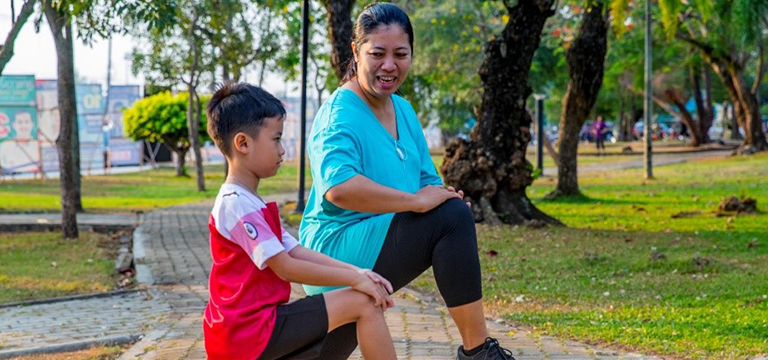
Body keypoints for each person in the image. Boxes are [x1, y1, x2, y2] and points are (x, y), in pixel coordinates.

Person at [300, 3, 516, 360]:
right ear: (356, 52)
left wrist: (445, 197)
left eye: (400, 54)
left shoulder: (403, 110)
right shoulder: (339, 115)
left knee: (451, 213)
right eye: (378, 54)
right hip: (333, 250)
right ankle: (479, 353)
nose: (390, 65)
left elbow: (426, 181)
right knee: (449, 221)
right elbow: (339, 188)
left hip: (377, 239)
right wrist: (419, 204)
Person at [203, 82, 398, 360]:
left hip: (259, 326)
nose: (282, 150)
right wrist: (354, 279)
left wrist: (359, 272)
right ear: (243, 143)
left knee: (363, 299)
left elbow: (296, 251)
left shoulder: (249, 201)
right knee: (364, 302)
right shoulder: (235, 203)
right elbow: (287, 267)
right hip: (246, 333)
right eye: (276, 139)